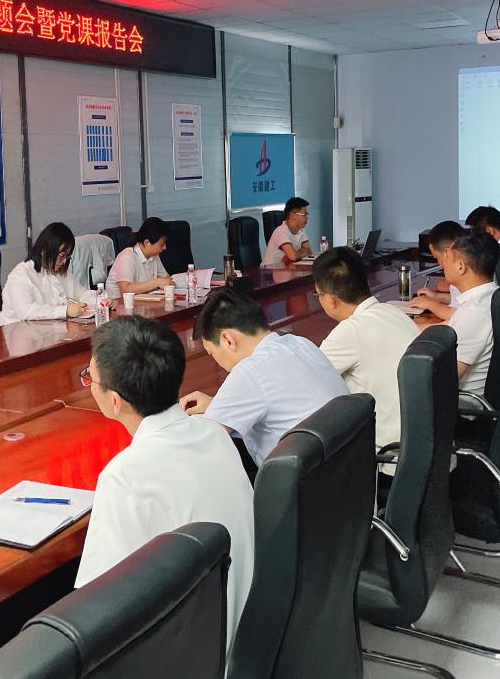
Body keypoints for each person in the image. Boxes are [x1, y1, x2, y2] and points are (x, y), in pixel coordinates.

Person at [76, 316, 254, 656]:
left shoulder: (124, 476)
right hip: (248, 633)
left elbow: (98, 604)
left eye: (91, 379)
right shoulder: (214, 432)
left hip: (196, 654)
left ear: (115, 401)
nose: (90, 385)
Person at [180, 288, 349, 466]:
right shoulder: (301, 343)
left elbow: (201, 441)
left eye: (212, 353)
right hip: (347, 470)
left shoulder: (250, 371)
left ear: (228, 340)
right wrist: (218, 405)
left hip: (302, 479)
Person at [313, 247, 418, 464]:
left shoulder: (350, 331)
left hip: (389, 459)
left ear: (331, 300)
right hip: (421, 447)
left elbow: (306, 381)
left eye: (318, 295)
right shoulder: (393, 311)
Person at [424, 229, 499, 396]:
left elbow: (442, 378)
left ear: (460, 266)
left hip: (462, 402)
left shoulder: (474, 313)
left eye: (447, 258)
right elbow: (447, 327)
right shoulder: (490, 295)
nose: (442, 265)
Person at [0, 222, 96, 325]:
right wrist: (65, 310)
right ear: (45, 250)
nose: (64, 261)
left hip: (50, 330)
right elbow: (26, 311)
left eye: (67, 256)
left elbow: (81, 294)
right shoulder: (21, 275)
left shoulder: (60, 271)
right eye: (62, 255)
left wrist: (99, 300)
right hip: (17, 331)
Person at [407, 220, 466, 321]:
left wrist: (429, 304)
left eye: (437, 257)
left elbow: (454, 316)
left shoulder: (463, 277)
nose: (439, 263)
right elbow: (460, 300)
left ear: (448, 252)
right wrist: (436, 297)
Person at [106, 216, 174, 297]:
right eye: (162, 244)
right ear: (147, 242)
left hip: (143, 301)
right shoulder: (127, 257)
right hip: (119, 302)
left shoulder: (154, 255)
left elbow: (166, 278)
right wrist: (157, 282)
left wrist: (168, 282)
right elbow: (125, 290)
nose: (165, 247)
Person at [262, 197, 312, 268]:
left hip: (287, 268)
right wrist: (302, 252)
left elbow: (309, 251)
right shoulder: (281, 231)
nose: (307, 218)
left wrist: (298, 254)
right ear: (293, 215)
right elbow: (293, 256)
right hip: (269, 271)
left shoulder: (300, 230)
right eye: (304, 215)